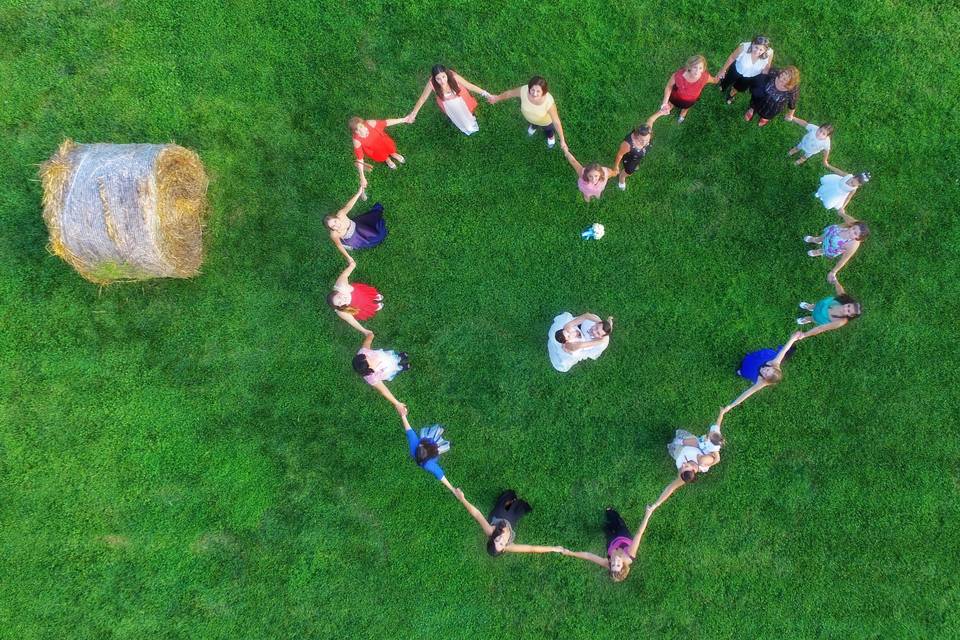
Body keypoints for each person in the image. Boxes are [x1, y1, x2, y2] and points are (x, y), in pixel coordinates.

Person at [452, 488, 565, 557]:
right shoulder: (510, 546)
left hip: (499, 515)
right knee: (516, 511)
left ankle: (509, 500)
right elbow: (532, 548)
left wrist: (463, 499)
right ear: (504, 549)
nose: (501, 539)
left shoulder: (490, 530)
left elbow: (476, 514)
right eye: (501, 544)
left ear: (492, 538)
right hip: (511, 520)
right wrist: (553, 548)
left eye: (497, 540)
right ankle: (515, 504)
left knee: (505, 504)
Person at [646, 420, 725, 513]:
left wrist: (655, 505)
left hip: (677, 450)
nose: (683, 465)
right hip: (687, 442)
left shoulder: (684, 474)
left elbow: (671, 487)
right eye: (686, 466)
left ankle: (677, 441)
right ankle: (679, 439)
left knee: (674, 444)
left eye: (682, 468)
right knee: (693, 441)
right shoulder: (703, 462)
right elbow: (715, 458)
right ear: (693, 470)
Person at [557, 506, 654, 582]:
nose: (615, 561)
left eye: (613, 565)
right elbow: (639, 533)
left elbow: (588, 556)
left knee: (607, 529)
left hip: (611, 543)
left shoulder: (607, 563)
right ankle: (611, 512)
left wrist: (571, 553)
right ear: (623, 565)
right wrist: (647, 514)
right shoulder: (630, 555)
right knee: (617, 521)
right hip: (623, 535)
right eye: (618, 565)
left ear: (610, 566)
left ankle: (608, 524)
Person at [720, 332, 803, 417]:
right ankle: (747, 360)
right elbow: (784, 350)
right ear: (772, 367)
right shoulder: (775, 362)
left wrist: (730, 406)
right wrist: (792, 339)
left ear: (765, 379)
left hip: (752, 370)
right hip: (761, 359)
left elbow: (746, 394)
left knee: (743, 371)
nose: (763, 370)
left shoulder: (762, 382)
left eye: (765, 374)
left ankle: (741, 371)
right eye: (767, 369)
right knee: (754, 358)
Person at [405, 65, 492, 135]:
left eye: (443, 77)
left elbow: (469, 86)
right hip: (448, 105)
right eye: (438, 79)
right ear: (434, 79)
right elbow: (422, 99)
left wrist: (486, 94)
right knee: (458, 117)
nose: (442, 81)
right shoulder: (432, 83)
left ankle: (470, 116)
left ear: (446, 74)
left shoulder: (453, 76)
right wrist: (413, 114)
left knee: (468, 111)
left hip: (461, 99)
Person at [488, 76, 568, 149]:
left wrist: (562, 140)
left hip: (545, 123)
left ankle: (551, 138)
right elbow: (509, 93)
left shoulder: (548, 102)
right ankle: (533, 127)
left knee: (548, 131)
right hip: (531, 119)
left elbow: (556, 122)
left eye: (538, 91)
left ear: (543, 92)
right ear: (529, 88)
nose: (534, 94)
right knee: (533, 123)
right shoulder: (524, 90)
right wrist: (497, 98)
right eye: (532, 90)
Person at [804, 210, 870, 285]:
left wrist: (833, 271)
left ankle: (818, 252)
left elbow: (844, 259)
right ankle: (816, 240)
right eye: (853, 228)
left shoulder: (852, 245)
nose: (851, 231)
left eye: (855, 233)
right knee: (822, 237)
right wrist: (842, 213)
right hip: (830, 234)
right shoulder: (850, 224)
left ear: (858, 238)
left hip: (831, 248)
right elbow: (849, 219)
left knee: (824, 250)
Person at [350, 115, 412, 192]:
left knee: (391, 149)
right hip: (375, 151)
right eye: (357, 130)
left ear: (363, 124)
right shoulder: (356, 140)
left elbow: (386, 123)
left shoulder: (370, 123)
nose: (361, 130)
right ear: (355, 132)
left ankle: (393, 154)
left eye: (361, 127)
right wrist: (362, 176)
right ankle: (387, 159)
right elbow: (360, 158)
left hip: (384, 142)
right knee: (382, 156)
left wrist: (404, 119)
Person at [325, 186, 388, 261]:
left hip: (357, 225)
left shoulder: (341, 214)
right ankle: (347, 245)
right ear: (331, 229)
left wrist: (358, 193)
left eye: (335, 221)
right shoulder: (334, 234)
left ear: (337, 217)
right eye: (333, 226)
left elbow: (348, 206)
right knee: (377, 237)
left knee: (376, 228)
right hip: (353, 238)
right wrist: (348, 257)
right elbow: (339, 245)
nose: (336, 225)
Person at [400, 413, 459, 493]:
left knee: (429, 435)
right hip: (433, 447)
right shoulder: (429, 464)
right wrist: (452, 489)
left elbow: (409, 430)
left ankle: (441, 429)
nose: (420, 444)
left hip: (430, 444)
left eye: (420, 445)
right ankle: (447, 441)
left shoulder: (414, 447)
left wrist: (403, 415)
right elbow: (441, 476)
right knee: (437, 442)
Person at [353, 332, 409, 415]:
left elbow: (368, 341)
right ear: (369, 369)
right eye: (370, 360)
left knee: (393, 358)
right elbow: (384, 391)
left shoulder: (364, 353)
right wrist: (397, 403)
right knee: (394, 369)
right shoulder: (372, 377)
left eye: (367, 356)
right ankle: (401, 368)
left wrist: (370, 335)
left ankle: (399, 357)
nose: (370, 356)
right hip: (387, 370)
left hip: (386, 357)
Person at [328, 256, 383, 336]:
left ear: (338, 292)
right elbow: (352, 321)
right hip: (358, 305)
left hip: (359, 293)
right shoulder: (341, 311)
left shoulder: (340, 285)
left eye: (339, 297)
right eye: (340, 303)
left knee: (366, 295)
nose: (343, 300)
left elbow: (345, 275)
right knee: (365, 305)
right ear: (339, 306)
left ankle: (374, 296)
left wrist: (352, 265)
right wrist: (364, 331)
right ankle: (373, 306)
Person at [657, 55, 718, 123]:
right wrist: (665, 103)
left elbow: (714, 80)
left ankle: (682, 114)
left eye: (700, 68)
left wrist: (719, 78)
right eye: (695, 67)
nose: (697, 71)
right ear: (689, 67)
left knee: (685, 108)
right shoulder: (678, 76)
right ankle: (671, 106)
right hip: (676, 96)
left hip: (690, 100)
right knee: (672, 103)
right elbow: (669, 87)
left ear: (703, 69)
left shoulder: (705, 77)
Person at [547, 312, 613, 372]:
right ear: (596, 323)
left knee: (564, 358)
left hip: (581, 347)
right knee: (561, 329)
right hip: (576, 332)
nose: (594, 331)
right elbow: (586, 316)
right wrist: (601, 322)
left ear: (601, 337)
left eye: (598, 333)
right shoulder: (593, 321)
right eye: (596, 327)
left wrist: (599, 341)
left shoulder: (600, 344)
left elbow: (576, 347)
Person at [717, 36, 774, 104]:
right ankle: (723, 86)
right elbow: (732, 58)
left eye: (761, 50)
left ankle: (732, 92)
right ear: (752, 44)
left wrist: (762, 80)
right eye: (756, 47)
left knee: (740, 87)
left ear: (765, 50)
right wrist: (723, 70)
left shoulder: (769, 53)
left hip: (751, 76)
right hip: (737, 69)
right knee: (728, 79)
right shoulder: (744, 48)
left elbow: (767, 66)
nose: (757, 51)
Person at [796, 281, 862, 338]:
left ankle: (808, 319)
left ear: (850, 315)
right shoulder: (843, 299)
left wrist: (804, 335)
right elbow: (839, 289)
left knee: (813, 318)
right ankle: (810, 307)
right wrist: (835, 281)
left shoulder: (840, 322)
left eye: (848, 311)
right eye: (848, 306)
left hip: (821, 317)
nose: (845, 308)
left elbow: (821, 328)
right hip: (822, 305)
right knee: (815, 306)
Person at [611, 116, 657, 190]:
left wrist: (661, 112)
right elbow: (620, 155)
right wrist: (616, 166)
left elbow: (651, 120)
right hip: (630, 158)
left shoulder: (647, 130)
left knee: (636, 163)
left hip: (637, 157)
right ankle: (621, 179)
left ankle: (636, 164)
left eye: (647, 139)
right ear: (636, 136)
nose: (645, 143)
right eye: (641, 140)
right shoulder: (628, 144)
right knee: (629, 171)